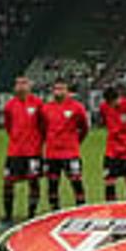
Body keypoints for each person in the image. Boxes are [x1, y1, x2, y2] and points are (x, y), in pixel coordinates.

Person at [0, 75, 46, 226]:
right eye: (18, 83)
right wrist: (16, 140)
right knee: (8, 183)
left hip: (33, 152)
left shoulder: (38, 104)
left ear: (30, 86)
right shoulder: (10, 105)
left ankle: (31, 216)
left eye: (24, 83)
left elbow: (44, 127)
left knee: (33, 182)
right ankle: (7, 217)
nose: (21, 86)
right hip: (14, 152)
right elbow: (8, 126)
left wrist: (37, 143)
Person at [41, 80, 90, 211]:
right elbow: (42, 128)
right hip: (51, 154)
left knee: (76, 182)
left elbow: (84, 127)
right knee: (52, 184)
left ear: (68, 91)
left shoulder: (77, 107)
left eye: (62, 89)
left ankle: (82, 209)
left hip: (71, 153)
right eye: (56, 88)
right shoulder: (46, 108)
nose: (58, 91)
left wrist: (75, 142)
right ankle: (54, 211)